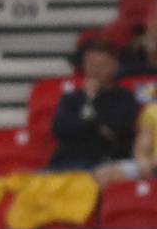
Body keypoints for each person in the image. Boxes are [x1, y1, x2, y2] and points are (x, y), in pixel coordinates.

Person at [50, 40, 140, 172]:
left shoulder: (124, 98)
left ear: (115, 65)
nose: (95, 70)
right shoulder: (71, 98)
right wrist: (93, 121)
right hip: (66, 162)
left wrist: (86, 114)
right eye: (91, 64)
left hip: (103, 163)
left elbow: (119, 128)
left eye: (102, 65)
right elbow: (59, 127)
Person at [95, 93, 157, 185]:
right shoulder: (152, 111)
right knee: (104, 174)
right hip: (154, 164)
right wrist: (144, 163)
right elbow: (142, 147)